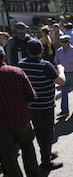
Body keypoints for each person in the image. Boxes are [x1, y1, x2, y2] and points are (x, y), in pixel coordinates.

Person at [18, 39, 66, 170]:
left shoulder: (21, 64)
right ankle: (46, 162)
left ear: (27, 51)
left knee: (39, 131)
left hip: (31, 106)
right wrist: (61, 70)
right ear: (42, 50)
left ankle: (46, 152)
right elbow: (61, 82)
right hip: (45, 106)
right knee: (47, 132)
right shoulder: (45, 65)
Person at [0, 45, 40, 177]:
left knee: (9, 157)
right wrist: (23, 108)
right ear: (4, 57)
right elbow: (31, 96)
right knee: (28, 149)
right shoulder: (16, 72)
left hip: (2, 127)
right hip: (21, 120)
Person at [54, 35, 73, 116]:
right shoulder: (59, 51)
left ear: (69, 42)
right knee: (64, 92)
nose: (64, 43)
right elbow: (57, 63)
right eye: (62, 42)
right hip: (63, 74)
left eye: (66, 41)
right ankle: (64, 110)